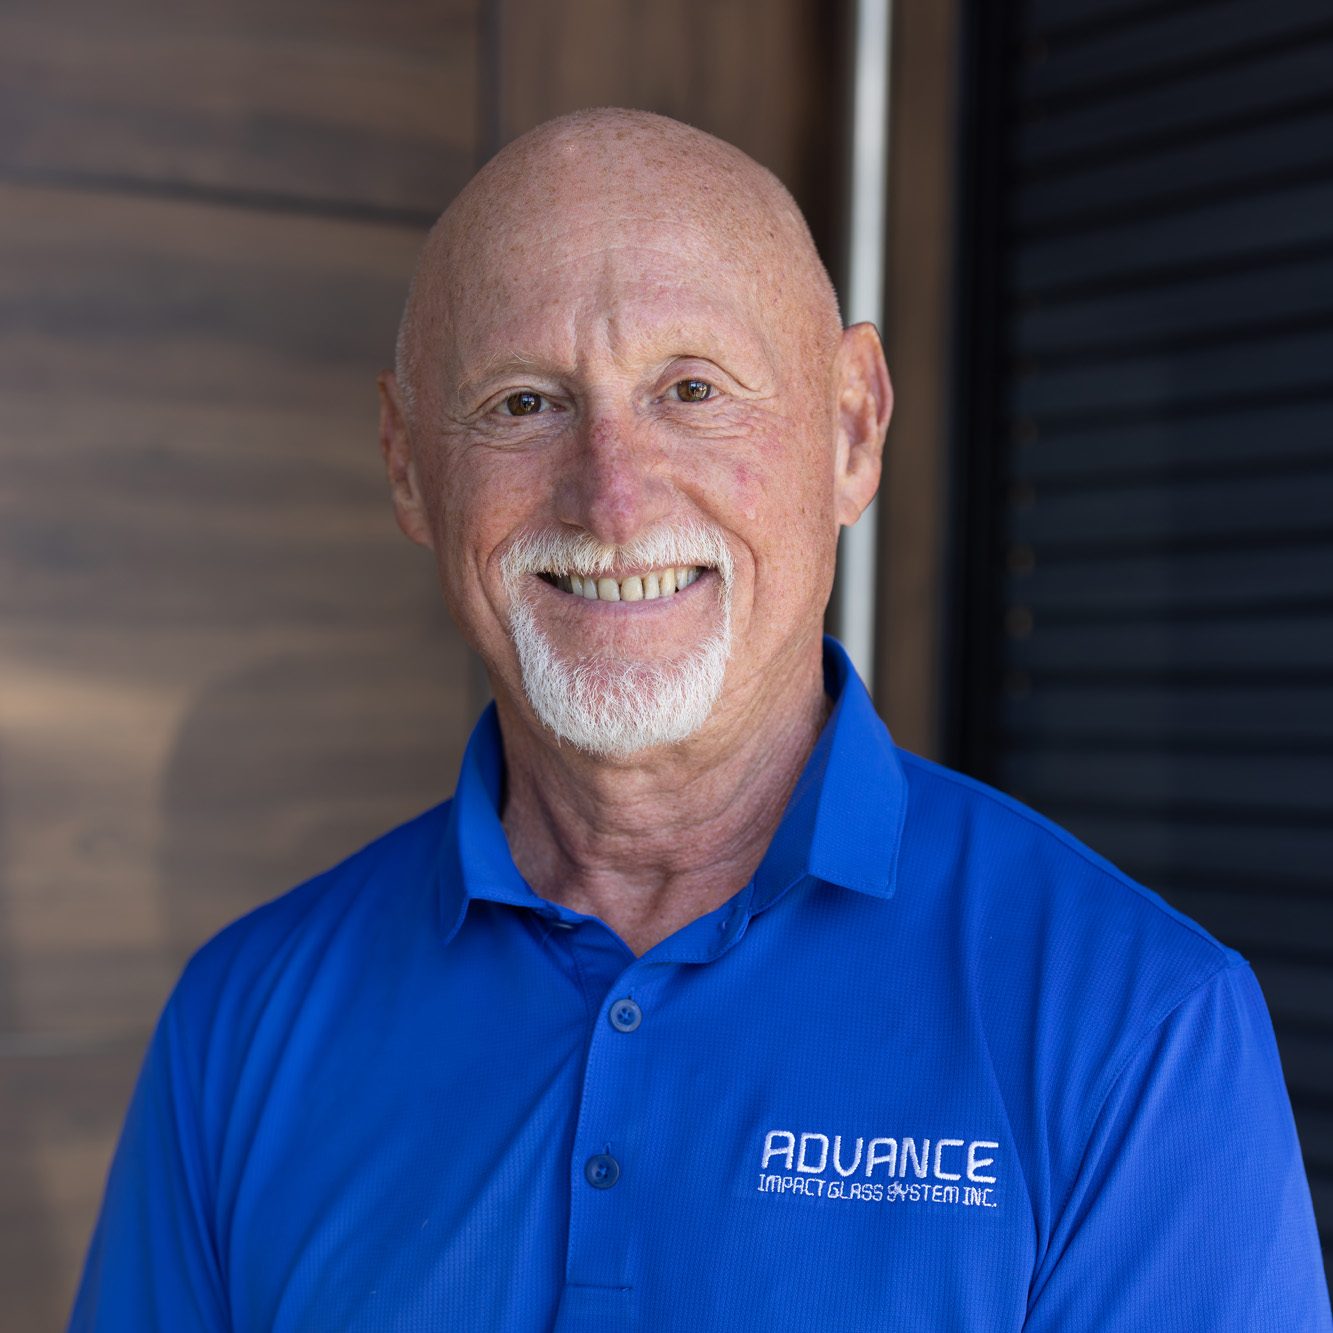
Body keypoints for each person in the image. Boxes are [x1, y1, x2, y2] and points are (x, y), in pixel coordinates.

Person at [72, 108, 1330, 1331]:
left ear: (852, 428)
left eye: (691, 388)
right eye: (523, 403)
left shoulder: (1136, 1030)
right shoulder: (241, 1026)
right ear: (408, 463)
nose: (611, 499)